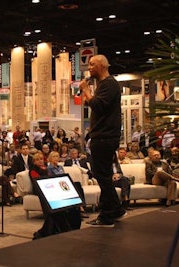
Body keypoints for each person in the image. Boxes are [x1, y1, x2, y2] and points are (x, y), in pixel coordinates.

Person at [79, 54, 126, 227]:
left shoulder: (109, 84)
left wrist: (86, 90)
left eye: (92, 65)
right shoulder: (104, 85)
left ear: (102, 66)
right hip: (102, 136)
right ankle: (116, 209)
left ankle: (107, 216)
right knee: (102, 174)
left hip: (105, 137)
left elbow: (98, 105)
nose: (89, 68)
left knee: (103, 176)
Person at [30, 152, 81, 239]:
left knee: (77, 185)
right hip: (40, 188)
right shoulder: (33, 171)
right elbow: (37, 181)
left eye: (41, 159)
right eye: (37, 160)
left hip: (50, 187)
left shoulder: (46, 169)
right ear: (34, 162)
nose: (40, 161)